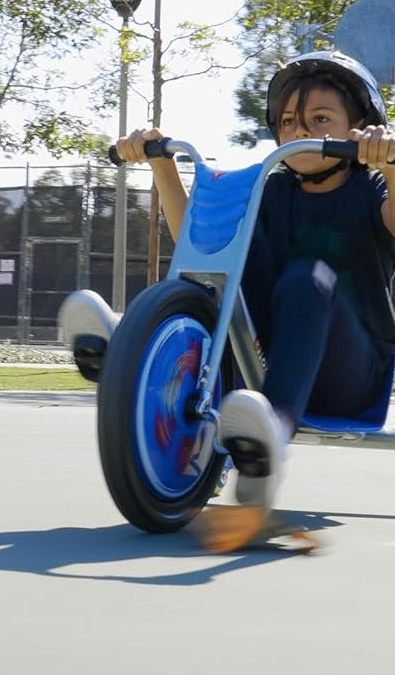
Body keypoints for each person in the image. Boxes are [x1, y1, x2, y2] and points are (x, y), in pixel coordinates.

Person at [59, 50, 395, 510]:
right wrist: (162, 164)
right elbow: (196, 244)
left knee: (308, 278)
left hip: (348, 376)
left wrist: (391, 164)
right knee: (224, 252)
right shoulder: (268, 188)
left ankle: (269, 436)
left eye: (320, 119)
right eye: (290, 121)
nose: (301, 132)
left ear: (359, 129)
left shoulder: (373, 190)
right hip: (264, 364)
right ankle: (131, 349)